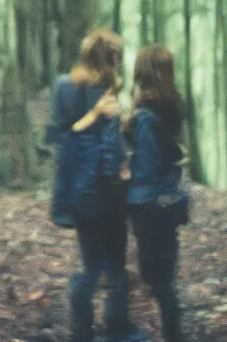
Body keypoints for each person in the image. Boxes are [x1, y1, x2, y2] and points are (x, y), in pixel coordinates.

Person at [46, 29, 147, 342]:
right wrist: (96, 115)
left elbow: (106, 142)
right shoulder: (73, 87)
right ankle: (91, 331)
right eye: (113, 57)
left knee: (107, 263)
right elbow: (61, 135)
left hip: (99, 190)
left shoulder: (103, 88)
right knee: (99, 265)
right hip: (91, 191)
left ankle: (105, 328)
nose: (116, 64)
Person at [124, 45, 188, 342]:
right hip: (169, 200)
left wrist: (125, 172)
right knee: (163, 278)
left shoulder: (147, 116)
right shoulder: (171, 107)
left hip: (149, 204)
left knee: (157, 279)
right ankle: (172, 331)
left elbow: (146, 165)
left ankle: (172, 334)